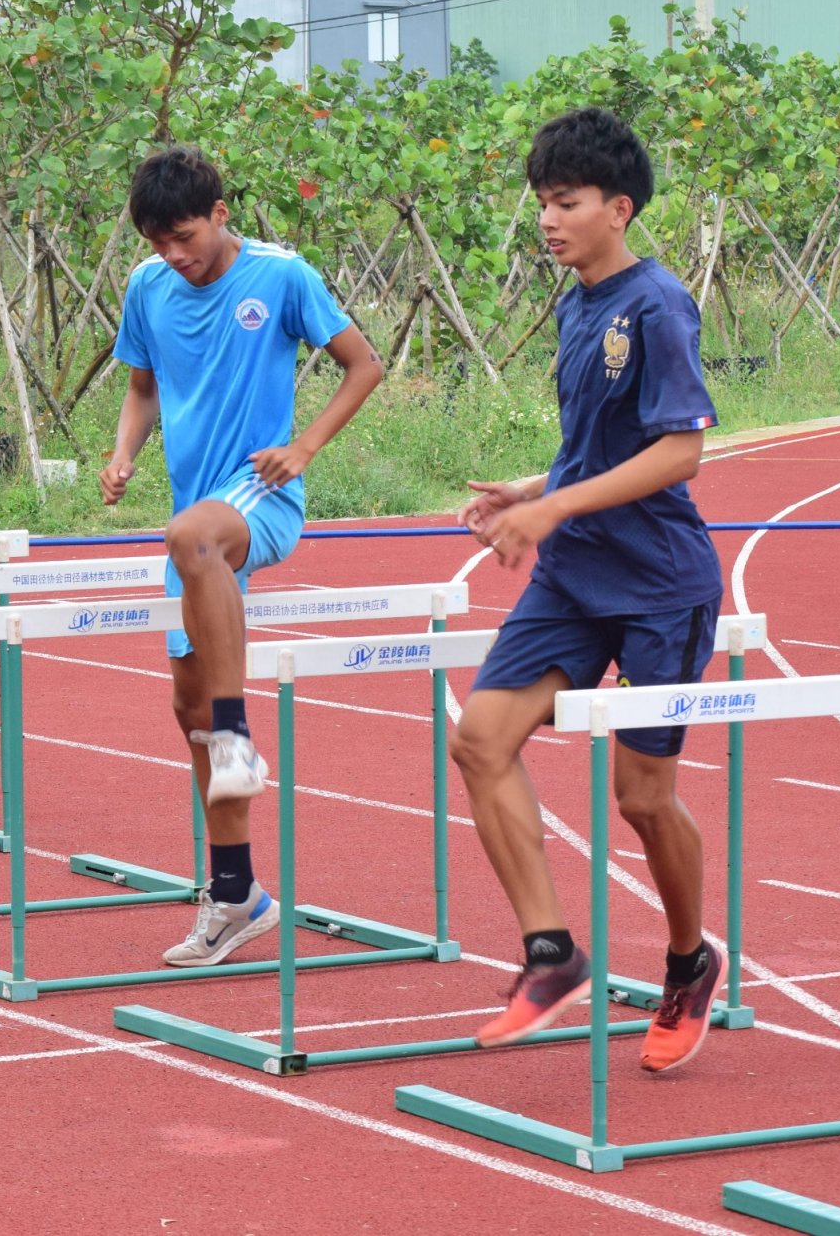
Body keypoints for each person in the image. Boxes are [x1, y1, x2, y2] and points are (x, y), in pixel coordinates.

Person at [452, 106, 726, 1073]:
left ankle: (689, 963)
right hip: (572, 577)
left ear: (618, 209)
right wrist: (533, 491)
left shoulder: (657, 305)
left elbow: (680, 450)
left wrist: (554, 509)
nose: (546, 220)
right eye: (540, 202)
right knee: (479, 740)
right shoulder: (575, 305)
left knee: (640, 799)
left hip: (656, 585)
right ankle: (550, 953)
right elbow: (595, 446)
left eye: (565, 202)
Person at [100, 147, 383, 967]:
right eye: (158, 243)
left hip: (261, 496)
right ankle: (235, 895)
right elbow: (142, 387)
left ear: (220, 215)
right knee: (187, 713)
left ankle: (237, 731)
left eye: (184, 238)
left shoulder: (280, 275)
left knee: (191, 545)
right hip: (193, 518)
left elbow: (363, 364)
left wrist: (304, 447)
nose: (173, 256)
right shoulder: (147, 286)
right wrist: (122, 453)